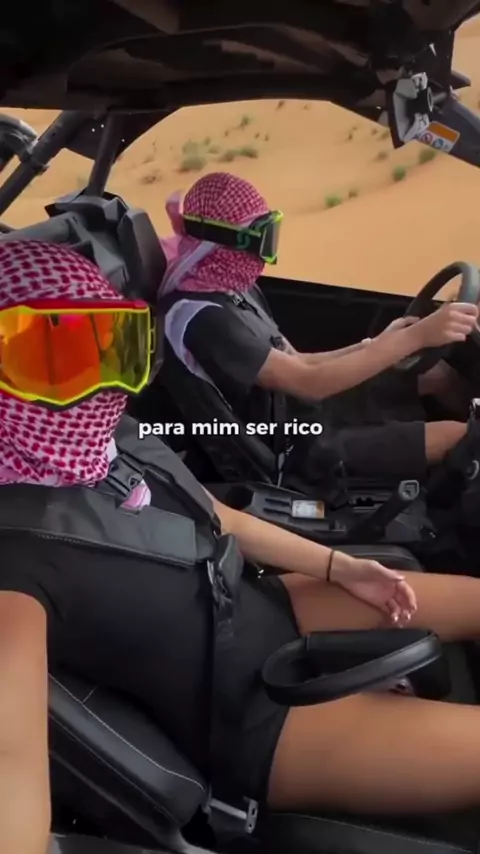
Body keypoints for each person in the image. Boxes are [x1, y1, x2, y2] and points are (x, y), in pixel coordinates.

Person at [3, 241, 480, 854]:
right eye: (54, 359)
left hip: (262, 607)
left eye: (111, 345)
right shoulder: (13, 563)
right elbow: (12, 763)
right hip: (260, 721)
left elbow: (217, 515)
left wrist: (342, 568)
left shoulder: (110, 437)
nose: (98, 384)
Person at [158, 171, 478, 484]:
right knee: (458, 436)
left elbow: (299, 360)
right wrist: (414, 338)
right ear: (232, 241)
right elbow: (308, 382)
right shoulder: (204, 319)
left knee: (435, 373)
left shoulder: (234, 290)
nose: (265, 256)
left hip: (307, 409)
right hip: (300, 446)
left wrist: (375, 345)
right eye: (263, 238)